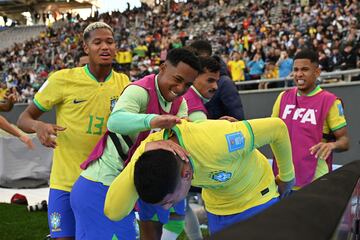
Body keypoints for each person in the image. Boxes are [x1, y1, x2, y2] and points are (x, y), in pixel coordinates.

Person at [16, 22, 130, 240]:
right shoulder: (61, 79)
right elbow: (24, 118)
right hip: (65, 182)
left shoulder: (124, 83)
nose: (104, 47)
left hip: (104, 182)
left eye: (109, 42)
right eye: (97, 42)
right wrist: (39, 126)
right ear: (86, 48)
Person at [104, 118, 295, 235]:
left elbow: (277, 128)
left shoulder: (218, 142)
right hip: (218, 209)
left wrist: (287, 178)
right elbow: (113, 210)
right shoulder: (154, 148)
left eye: (168, 202)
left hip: (257, 199)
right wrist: (142, 150)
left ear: (186, 174)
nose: (167, 208)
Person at [105, 47, 200, 240]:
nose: (181, 89)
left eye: (188, 85)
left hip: (147, 172)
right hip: (113, 173)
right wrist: (153, 120)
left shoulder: (180, 103)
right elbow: (114, 122)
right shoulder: (139, 90)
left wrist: (218, 126)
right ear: (163, 68)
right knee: (121, 231)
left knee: (156, 228)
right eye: (178, 79)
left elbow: (183, 134)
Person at [271, 49, 349, 188]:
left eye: (305, 69)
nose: (299, 74)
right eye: (295, 70)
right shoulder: (283, 97)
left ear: (317, 72)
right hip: (283, 179)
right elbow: (269, 128)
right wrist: (241, 125)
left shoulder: (330, 101)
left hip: (314, 181)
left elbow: (344, 141)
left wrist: (331, 145)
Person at [189, 40, 245, 121]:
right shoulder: (189, 83)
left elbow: (238, 119)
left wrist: (217, 126)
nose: (214, 86)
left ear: (205, 56)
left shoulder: (225, 83)